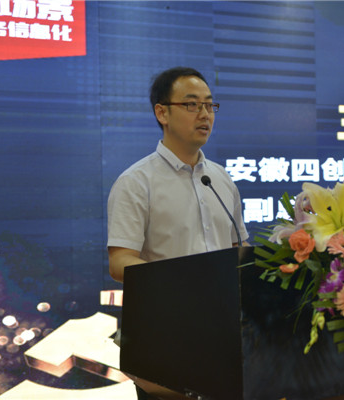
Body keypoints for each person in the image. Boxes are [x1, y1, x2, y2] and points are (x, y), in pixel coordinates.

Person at [107, 67, 249, 399]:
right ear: (162, 113)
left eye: (209, 105)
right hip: (166, 337)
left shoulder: (221, 179)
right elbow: (120, 262)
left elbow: (238, 248)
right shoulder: (136, 182)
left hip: (224, 335)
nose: (204, 114)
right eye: (191, 104)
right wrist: (184, 281)